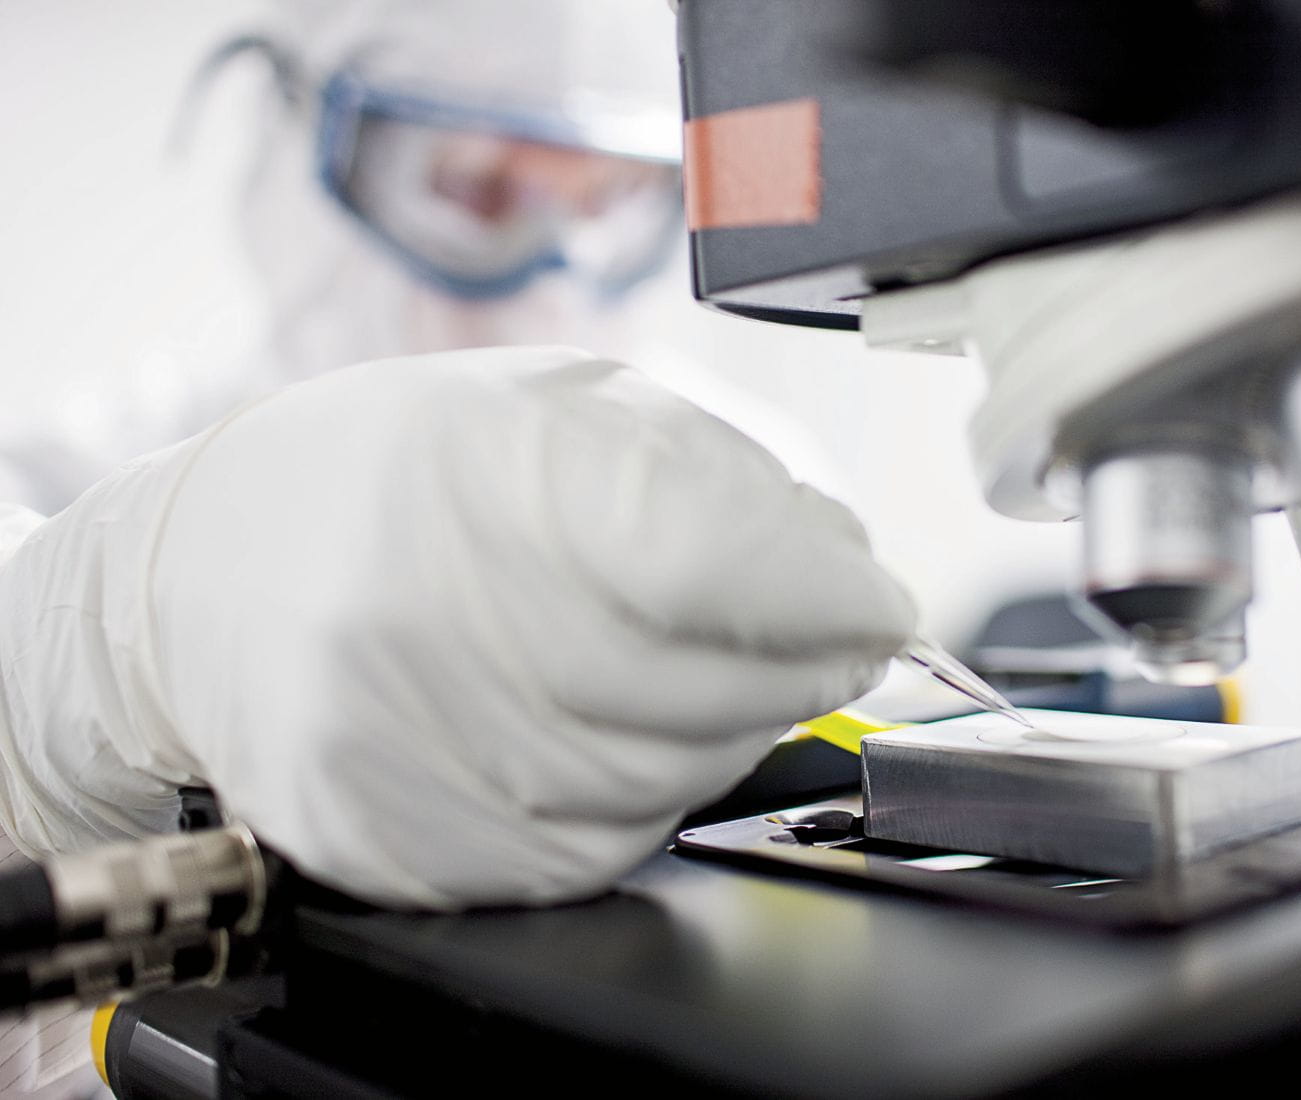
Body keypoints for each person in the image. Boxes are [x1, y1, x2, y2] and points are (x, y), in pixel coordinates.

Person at [0, 1, 914, 1094]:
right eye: (478, 191)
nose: (552, 275)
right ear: (299, 152)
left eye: (610, 204)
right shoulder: (73, 480)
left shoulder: (749, 466)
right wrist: (96, 647)